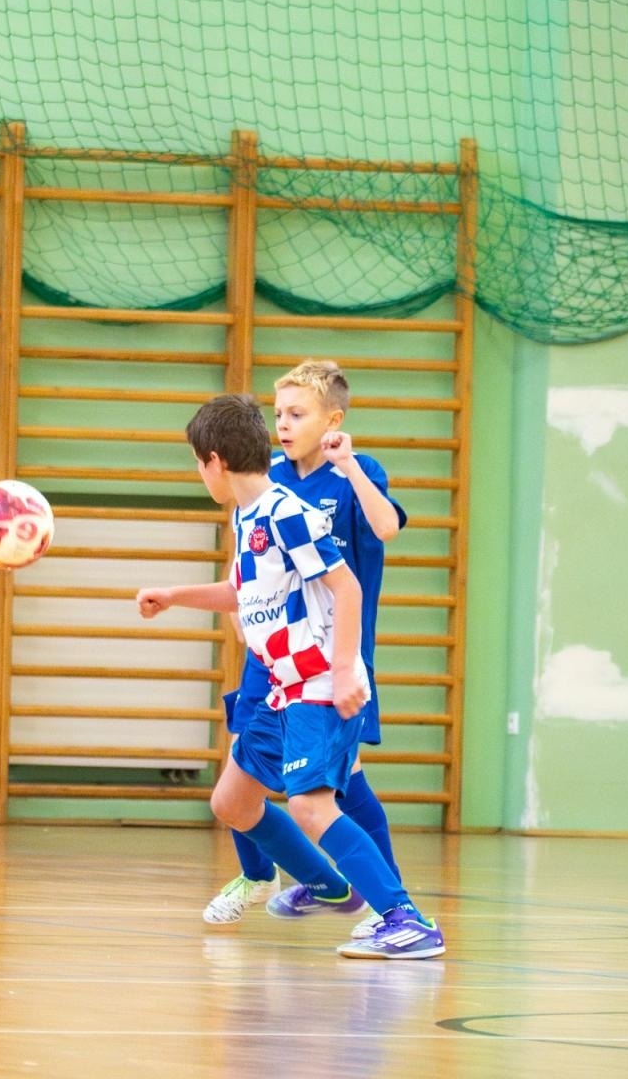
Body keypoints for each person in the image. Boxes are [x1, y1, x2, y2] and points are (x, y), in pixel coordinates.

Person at [136, 394, 444, 960]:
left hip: (318, 684)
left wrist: (346, 668)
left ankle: (407, 920)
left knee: (310, 805)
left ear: (213, 461)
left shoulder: (286, 513)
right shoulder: (249, 516)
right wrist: (175, 596)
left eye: (196, 465)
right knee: (232, 802)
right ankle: (330, 886)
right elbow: (244, 591)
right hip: (281, 686)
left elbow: (346, 586)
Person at [204, 361, 407, 943]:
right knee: (244, 761)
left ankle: (382, 902)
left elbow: (388, 528)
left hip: (328, 657)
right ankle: (271, 876)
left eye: (298, 414)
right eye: (279, 414)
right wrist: (240, 609)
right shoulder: (267, 473)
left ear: (334, 420)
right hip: (271, 653)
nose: (284, 425)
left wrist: (349, 467)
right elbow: (247, 548)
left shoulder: (356, 473)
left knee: (341, 783)